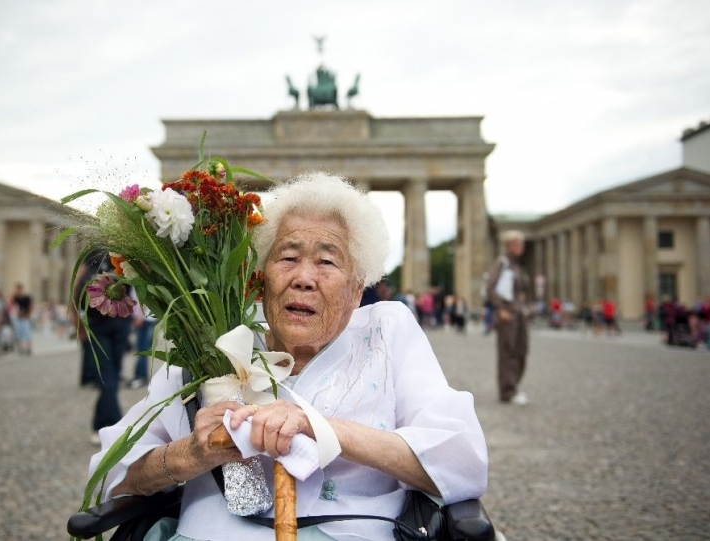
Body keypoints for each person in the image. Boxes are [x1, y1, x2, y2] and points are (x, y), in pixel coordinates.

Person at [89, 173, 488, 541]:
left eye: (327, 261)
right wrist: (188, 454)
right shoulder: (213, 341)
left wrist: (320, 428)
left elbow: (461, 459)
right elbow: (110, 473)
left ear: (356, 288)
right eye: (288, 257)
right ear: (259, 279)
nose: (303, 277)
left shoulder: (387, 331)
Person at [77, 250, 135, 444]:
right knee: (107, 377)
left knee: (114, 374)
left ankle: (102, 424)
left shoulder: (123, 246)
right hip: (99, 324)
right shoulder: (94, 250)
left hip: (120, 321)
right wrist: (77, 320)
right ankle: (113, 425)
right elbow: (79, 282)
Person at [486, 230, 532, 405]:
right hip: (507, 314)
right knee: (508, 352)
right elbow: (490, 287)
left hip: (519, 314)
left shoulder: (517, 265)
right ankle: (507, 391)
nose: (521, 247)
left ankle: (513, 386)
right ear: (510, 245)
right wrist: (500, 308)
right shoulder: (502, 262)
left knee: (521, 351)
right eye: (518, 243)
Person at [12, 283, 34, 355]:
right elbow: (12, 305)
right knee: (19, 334)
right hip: (19, 317)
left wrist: (28, 314)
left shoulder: (27, 297)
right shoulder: (16, 298)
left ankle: (28, 348)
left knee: (27, 333)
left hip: (25, 318)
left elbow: (31, 306)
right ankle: (21, 348)